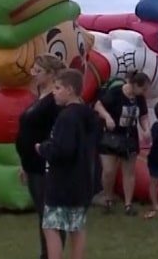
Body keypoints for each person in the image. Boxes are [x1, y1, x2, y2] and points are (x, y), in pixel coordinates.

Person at [36, 69, 97, 259]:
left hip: (63, 183)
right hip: (83, 181)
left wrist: (43, 148)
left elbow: (63, 150)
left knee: (51, 226)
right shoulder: (89, 114)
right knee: (76, 226)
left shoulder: (67, 117)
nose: (54, 92)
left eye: (58, 87)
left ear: (70, 90)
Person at [16, 55, 67, 259]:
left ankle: (51, 254)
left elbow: (56, 131)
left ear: (51, 74)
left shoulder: (55, 99)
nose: (33, 74)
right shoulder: (39, 95)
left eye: (38, 71)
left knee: (51, 215)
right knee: (43, 214)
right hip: (32, 164)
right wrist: (23, 162)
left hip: (45, 164)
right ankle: (45, 253)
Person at [93, 70, 151, 216]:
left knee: (129, 172)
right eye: (142, 88)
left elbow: (143, 116)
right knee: (109, 171)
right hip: (111, 137)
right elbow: (98, 105)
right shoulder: (116, 93)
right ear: (133, 85)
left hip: (129, 137)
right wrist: (107, 117)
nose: (144, 92)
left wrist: (146, 129)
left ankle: (128, 204)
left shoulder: (139, 98)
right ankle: (107, 199)